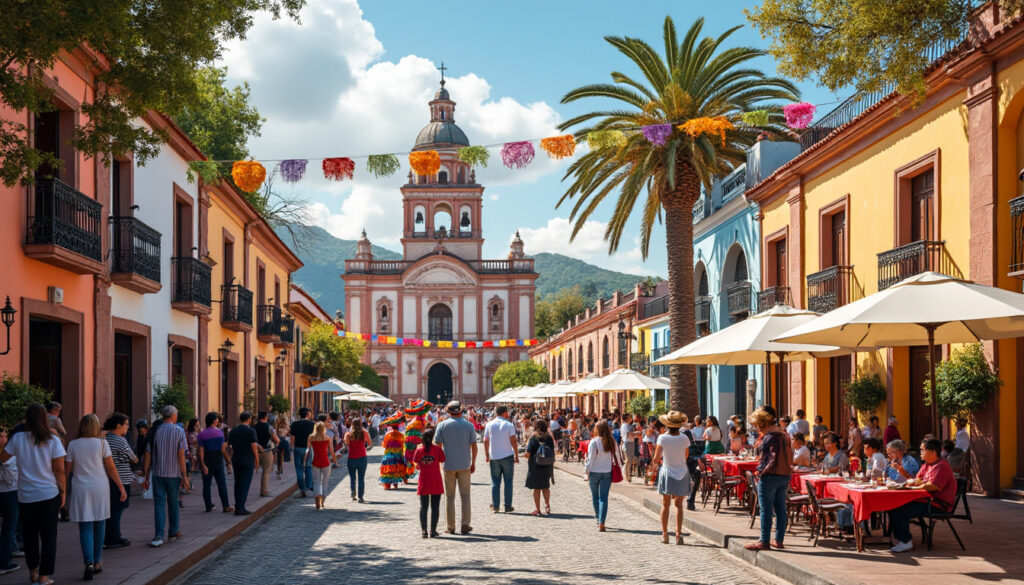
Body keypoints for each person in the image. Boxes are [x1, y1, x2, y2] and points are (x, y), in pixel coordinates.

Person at [2, 405, 66, 585]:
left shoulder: (17, 438)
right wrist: (63, 493)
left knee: (29, 537)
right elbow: (59, 470)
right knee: (49, 537)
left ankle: (33, 572)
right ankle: (44, 576)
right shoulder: (52, 439)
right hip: (48, 493)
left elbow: (3, 457)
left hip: (25, 495)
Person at [66, 414, 126, 580]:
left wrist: (63, 489)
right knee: (100, 524)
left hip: (80, 488)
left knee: (85, 526)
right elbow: (111, 468)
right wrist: (121, 487)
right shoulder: (102, 443)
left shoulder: (73, 444)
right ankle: (98, 562)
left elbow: (67, 470)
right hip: (100, 486)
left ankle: (89, 563)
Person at [888, 438, 958, 553]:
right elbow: (916, 480)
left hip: (937, 504)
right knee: (893, 505)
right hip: (925, 500)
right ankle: (901, 538)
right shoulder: (926, 465)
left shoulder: (941, 466)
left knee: (900, 510)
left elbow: (932, 486)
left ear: (933, 452)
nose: (920, 452)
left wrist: (914, 486)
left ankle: (906, 541)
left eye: (922, 450)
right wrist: (909, 481)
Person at [142, 405, 190, 548]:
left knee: (159, 504)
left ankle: (158, 535)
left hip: (158, 473)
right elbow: (181, 456)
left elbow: (148, 454)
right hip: (173, 474)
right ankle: (173, 531)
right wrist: (185, 475)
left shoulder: (155, 431)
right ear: (174, 416)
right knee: (174, 503)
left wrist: (145, 475)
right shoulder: (179, 431)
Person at [745, 408, 793, 551]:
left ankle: (764, 541)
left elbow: (772, 459)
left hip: (771, 476)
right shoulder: (783, 435)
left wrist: (762, 472)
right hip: (784, 475)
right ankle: (778, 540)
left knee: (765, 509)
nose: (758, 428)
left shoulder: (770, 437)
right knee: (780, 508)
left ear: (763, 423)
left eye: (758, 425)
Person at [433, 401, 477, 535]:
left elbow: (438, 446)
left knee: (449, 496)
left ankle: (450, 526)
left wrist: (439, 463)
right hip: (464, 465)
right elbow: (474, 446)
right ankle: (465, 524)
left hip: (448, 465)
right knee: (465, 495)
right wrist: (473, 462)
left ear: (448, 412)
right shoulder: (469, 425)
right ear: (461, 411)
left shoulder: (442, 425)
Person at [653, 412, 690, 545]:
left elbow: (656, 458)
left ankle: (665, 535)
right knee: (679, 506)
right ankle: (678, 534)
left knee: (665, 504)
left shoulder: (662, 438)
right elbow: (686, 455)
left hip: (667, 472)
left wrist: (663, 462)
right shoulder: (685, 438)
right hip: (682, 472)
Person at [102, 413, 137, 549]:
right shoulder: (121, 441)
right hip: (121, 480)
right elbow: (133, 457)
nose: (127, 428)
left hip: (106, 479)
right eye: (126, 424)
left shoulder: (104, 439)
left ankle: (107, 536)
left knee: (109, 510)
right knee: (117, 510)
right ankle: (114, 537)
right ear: (119, 425)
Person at [482, 405, 518, 513]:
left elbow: (485, 441)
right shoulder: (509, 424)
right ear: (505, 413)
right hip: (507, 456)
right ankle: (507, 505)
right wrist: (516, 455)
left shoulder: (489, 424)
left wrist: (487, 455)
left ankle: (496, 505)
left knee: (495, 482)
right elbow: (513, 441)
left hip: (494, 457)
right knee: (508, 482)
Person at [197, 412, 232, 513]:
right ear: (214, 421)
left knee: (206, 485)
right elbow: (223, 450)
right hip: (218, 461)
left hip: (207, 460)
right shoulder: (219, 433)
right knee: (221, 484)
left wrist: (202, 464)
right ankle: (226, 506)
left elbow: (201, 451)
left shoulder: (201, 434)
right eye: (217, 419)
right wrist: (228, 461)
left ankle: (208, 506)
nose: (218, 421)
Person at [584, 420, 615, 532]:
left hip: (594, 472)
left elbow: (590, 459)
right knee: (604, 497)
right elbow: (616, 457)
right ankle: (602, 522)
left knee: (595, 497)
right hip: (607, 472)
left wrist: (586, 471)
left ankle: (598, 519)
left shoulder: (594, 442)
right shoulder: (611, 441)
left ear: (597, 429)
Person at [414, 429, 445, 538]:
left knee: (424, 506)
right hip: (435, 480)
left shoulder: (419, 450)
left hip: (424, 481)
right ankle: (433, 530)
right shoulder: (437, 449)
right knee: (435, 507)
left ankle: (424, 530)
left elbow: (416, 463)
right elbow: (442, 459)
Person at [227, 412, 259, 515]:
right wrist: (257, 462)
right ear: (249, 419)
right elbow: (254, 448)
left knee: (238, 482)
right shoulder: (251, 431)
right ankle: (240, 507)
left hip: (236, 458)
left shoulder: (233, 431)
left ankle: (238, 504)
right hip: (247, 459)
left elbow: (230, 447)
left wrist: (230, 460)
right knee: (245, 483)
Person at [525, 419, 555, 516]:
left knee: (537, 488)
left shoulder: (533, 437)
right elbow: (553, 451)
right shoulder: (549, 438)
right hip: (547, 465)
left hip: (535, 465)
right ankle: (547, 505)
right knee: (546, 486)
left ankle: (538, 509)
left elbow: (528, 453)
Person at [306, 421, 337, 511]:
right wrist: (335, 460)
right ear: (323, 428)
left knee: (316, 481)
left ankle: (317, 495)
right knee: (325, 481)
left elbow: (308, 450)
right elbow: (331, 450)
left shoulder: (311, 437)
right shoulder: (328, 437)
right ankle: (323, 498)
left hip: (315, 461)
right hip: (325, 461)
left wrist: (305, 460)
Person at [0, 428, 18, 576]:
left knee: (9, 527)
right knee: (8, 527)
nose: (4, 439)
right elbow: (12, 479)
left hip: (10, 492)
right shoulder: (10, 456)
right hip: (9, 493)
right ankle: (4, 562)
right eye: (1, 436)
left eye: (5, 435)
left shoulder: (11, 454)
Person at [289, 408, 316, 497]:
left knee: (299, 468)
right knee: (308, 467)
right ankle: (308, 486)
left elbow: (292, 438)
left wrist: (291, 447)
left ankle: (302, 487)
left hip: (298, 448)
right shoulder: (312, 424)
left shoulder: (294, 424)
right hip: (308, 448)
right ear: (307, 414)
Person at [252, 412, 278, 498]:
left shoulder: (254, 427)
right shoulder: (269, 427)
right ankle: (264, 491)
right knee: (266, 471)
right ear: (266, 417)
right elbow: (276, 440)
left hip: (254, 451)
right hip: (266, 451)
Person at [344, 419, 371, 503]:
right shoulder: (364, 433)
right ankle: (360, 497)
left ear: (352, 424)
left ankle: (353, 491)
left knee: (352, 477)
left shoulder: (348, 434)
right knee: (361, 478)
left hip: (351, 458)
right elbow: (370, 443)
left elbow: (346, 444)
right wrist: (365, 448)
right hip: (362, 457)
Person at [379, 418, 407, 489]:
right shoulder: (401, 435)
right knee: (396, 468)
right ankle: (395, 484)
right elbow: (403, 445)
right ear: (398, 427)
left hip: (389, 454)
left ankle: (387, 485)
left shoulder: (388, 434)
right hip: (397, 454)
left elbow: (384, 445)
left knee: (388, 468)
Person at [619, 414, 640, 482]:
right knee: (628, 460)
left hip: (630, 443)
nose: (631, 418)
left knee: (629, 460)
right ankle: (626, 476)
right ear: (627, 418)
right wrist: (637, 432)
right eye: (630, 417)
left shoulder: (628, 425)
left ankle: (627, 476)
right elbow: (629, 434)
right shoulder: (625, 425)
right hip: (627, 443)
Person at [274, 415, 290, 479]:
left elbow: (277, 435)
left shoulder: (277, 427)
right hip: (285, 442)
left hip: (279, 442)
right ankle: (281, 471)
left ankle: (278, 470)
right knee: (282, 457)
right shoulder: (287, 427)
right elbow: (288, 435)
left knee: (279, 456)